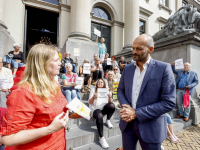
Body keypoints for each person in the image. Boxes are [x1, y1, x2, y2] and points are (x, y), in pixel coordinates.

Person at [1, 44, 69, 149]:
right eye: (56, 60)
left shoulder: (55, 85)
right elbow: (8, 138)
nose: (60, 63)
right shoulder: (24, 93)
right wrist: (50, 129)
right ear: (43, 64)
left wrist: (72, 111)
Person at [117, 34, 176, 150]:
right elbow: (120, 90)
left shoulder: (164, 68)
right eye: (133, 48)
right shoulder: (127, 68)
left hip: (151, 127)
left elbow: (169, 102)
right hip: (127, 125)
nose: (134, 51)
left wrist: (136, 113)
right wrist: (127, 108)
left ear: (151, 49)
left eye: (139, 49)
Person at [88, 78, 115, 149]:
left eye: (101, 82)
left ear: (104, 84)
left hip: (103, 108)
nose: (99, 83)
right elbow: (90, 102)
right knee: (99, 115)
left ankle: (108, 120)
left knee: (112, 105)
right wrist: (93, 97)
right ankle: (101, 138)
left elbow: (110, 102)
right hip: (95, 109)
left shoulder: (106, 90)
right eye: (98, 82)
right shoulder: (93, 90)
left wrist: (110, 97)